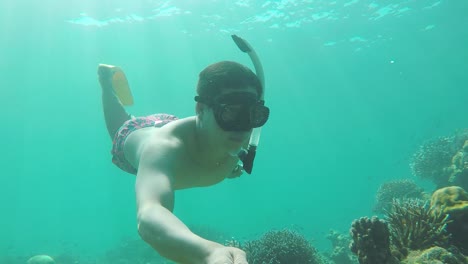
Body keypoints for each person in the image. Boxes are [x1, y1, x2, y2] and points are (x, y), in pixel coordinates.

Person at [98, 59, 270, 264]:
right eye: (229, 112)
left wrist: (231, 168)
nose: (242, 128)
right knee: (118, 125)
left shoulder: (231, 135)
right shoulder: (163, 150)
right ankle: (106, 83)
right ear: (200, 109)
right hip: (135, 134)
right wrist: (209, 252)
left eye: (252, 115)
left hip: (177, 124)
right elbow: (150, 213)